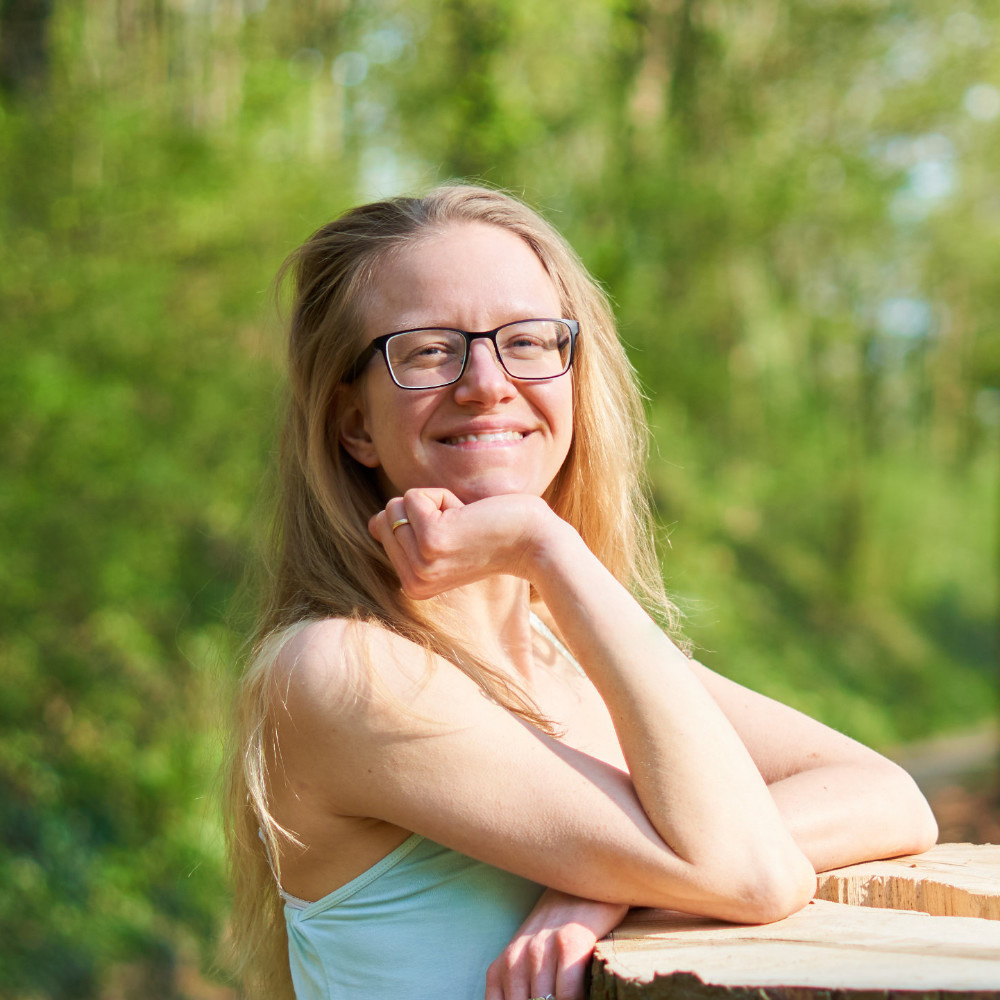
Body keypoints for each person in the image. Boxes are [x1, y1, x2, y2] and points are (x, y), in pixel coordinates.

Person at [223, 185, 937, 1000]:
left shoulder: (561, 650)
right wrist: (543, 543)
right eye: (427, 351)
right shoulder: (339, 670)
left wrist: (600, 886)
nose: (486, 382)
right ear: (353, 424)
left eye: (526, 340)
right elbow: (749, 873)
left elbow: (890, 796)